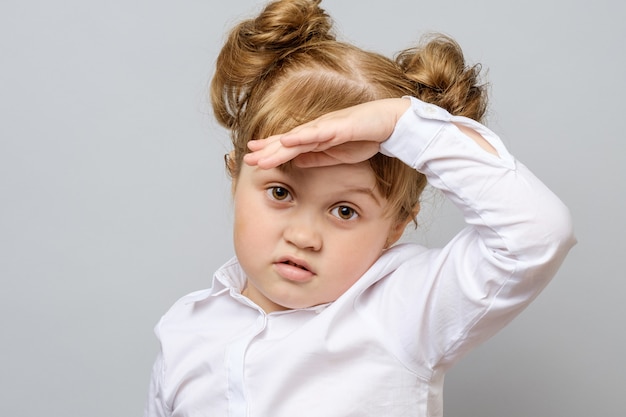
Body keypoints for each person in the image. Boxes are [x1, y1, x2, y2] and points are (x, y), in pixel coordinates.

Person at [143, 0, 576, 416]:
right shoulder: (186, 328)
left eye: (345, 211)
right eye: (280, 193)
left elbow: (537, 235)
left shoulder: (404, 309)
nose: (303, 237)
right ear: (236, 176)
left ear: (397, 227)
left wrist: (403, 125)